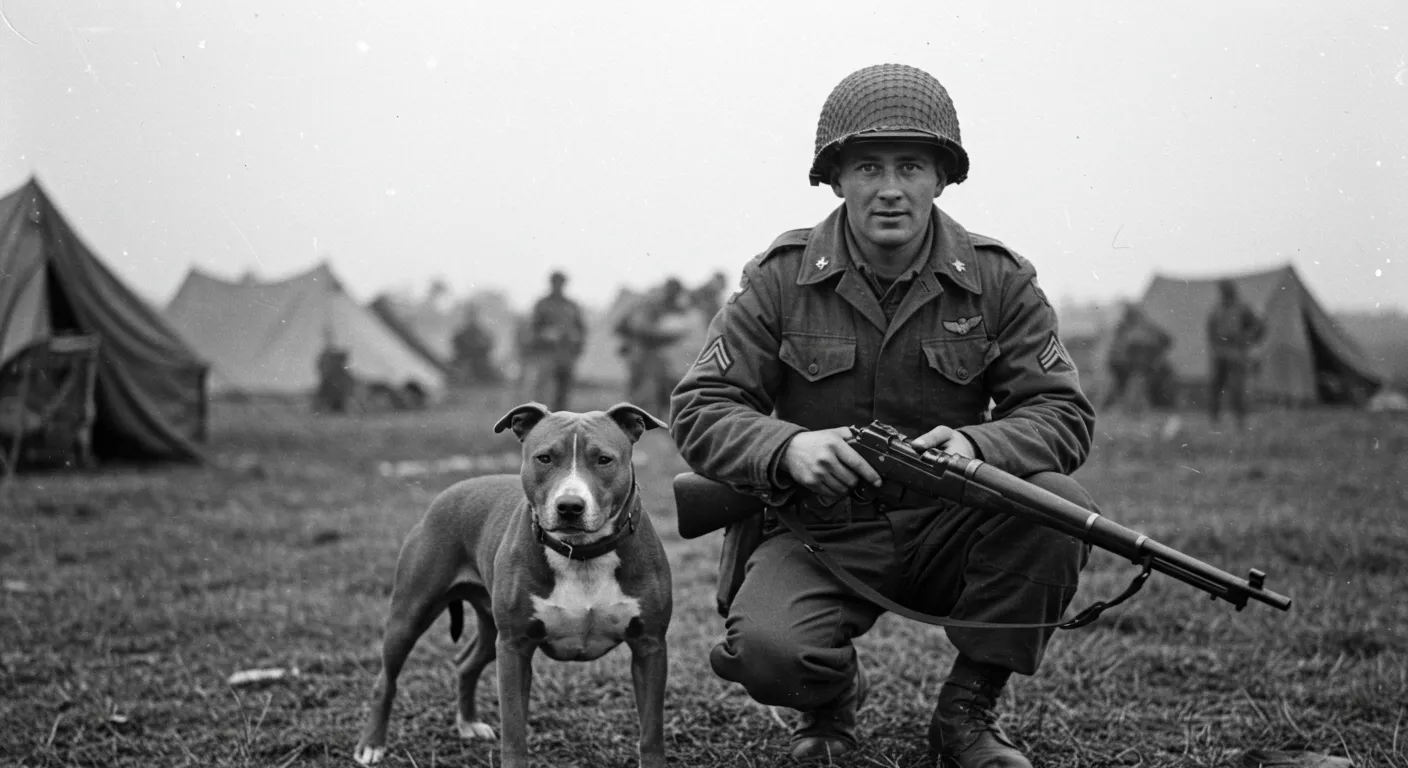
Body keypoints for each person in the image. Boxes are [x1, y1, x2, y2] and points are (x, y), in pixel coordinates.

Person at [670, 64, 1097, 767]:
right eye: (868, 166)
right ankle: (827, 703)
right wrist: (787, 449)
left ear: (943, 177)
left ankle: (967, 717)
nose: (891, 188)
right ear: (835, 178)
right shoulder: (779, 278)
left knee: (1060, 506)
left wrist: (976, 443)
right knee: (770, 655)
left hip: (951, 524)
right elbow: (700, 407)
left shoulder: (999, 281)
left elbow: (1062, 411)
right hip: (819, 528)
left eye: (912, 166)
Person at [616, 277, 695, 417]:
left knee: (656, 383)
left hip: (647, 350)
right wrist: (669, 336)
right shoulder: (650, 305)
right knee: (643, 386)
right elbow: (642, 329)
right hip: (641, 350)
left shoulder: (664, 306)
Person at [521, 271, 585, 411]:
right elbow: (533, 328)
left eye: (561, 283)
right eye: (556, 282)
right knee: (543, 388)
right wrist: (546, 334)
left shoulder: (571, 305)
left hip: (566, 352)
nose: (558, 286)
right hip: (546, 352)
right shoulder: (542, 304)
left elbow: (581, 329)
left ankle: (561, 416)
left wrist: (576, 341)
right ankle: (539, 415)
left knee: (563, 388)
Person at [1205, 279, 1264, 428]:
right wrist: (1214, 346)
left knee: (1237, 389)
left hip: (1236, 353)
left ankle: (1240, 420)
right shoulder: (1217, 309)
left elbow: (1258, 326)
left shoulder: (1243, 308)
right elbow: (1210, 329)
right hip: (1220, 354)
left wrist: (1247, 339)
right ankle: (1215, 419)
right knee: (1216, 388)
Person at [1101, 303, 1173, 412]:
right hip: (1127, 364)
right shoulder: (1129, 328)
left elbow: (1166, 340)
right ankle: (1120, 408)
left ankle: (1127, 408)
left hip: (1135, 364)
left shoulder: (1139, 328)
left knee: (1128, 386)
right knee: (1124, 386)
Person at [450, 306, 498, 385]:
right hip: (465, 362)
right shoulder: (461, 333)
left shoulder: (482, 333)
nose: (471, 318)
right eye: (470, 316)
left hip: (480, 363)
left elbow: (488, 345)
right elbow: (456, 346)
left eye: (473, 315)